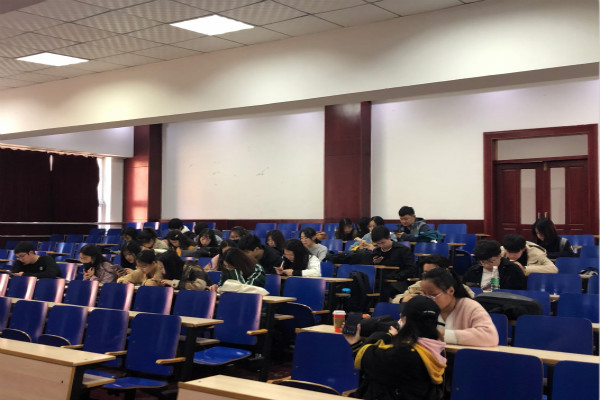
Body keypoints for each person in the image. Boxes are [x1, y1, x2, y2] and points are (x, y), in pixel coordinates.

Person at [344, 296, 446, 400]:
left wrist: (386, 335)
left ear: (405, 320)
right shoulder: (436, 349)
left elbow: (366, 357)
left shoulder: (404, 354)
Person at [421, 268, 498, 346]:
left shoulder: (469, 306)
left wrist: (441, 334)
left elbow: (490, 336)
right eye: (424, 294)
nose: (427, 299)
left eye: (433, 294)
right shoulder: (422, 307)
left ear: (451, 291)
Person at [392, 254, 475, 303]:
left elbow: (472, 302)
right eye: (425, 273)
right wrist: (404, 299)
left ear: (445, 270)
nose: (428, 276)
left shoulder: (459, 287)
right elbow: (395, 300)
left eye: (432, 272)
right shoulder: (419, 285)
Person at [371, 225, 417, 299]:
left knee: (384, 288)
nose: (381, 246)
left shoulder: (402, 250)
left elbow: (411, 269)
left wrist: (397, 276)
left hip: (398, 282)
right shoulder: (376, 251)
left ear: (389, 237)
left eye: (383, 242)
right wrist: (374, 264)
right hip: (380, 281)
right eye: (378, 243)